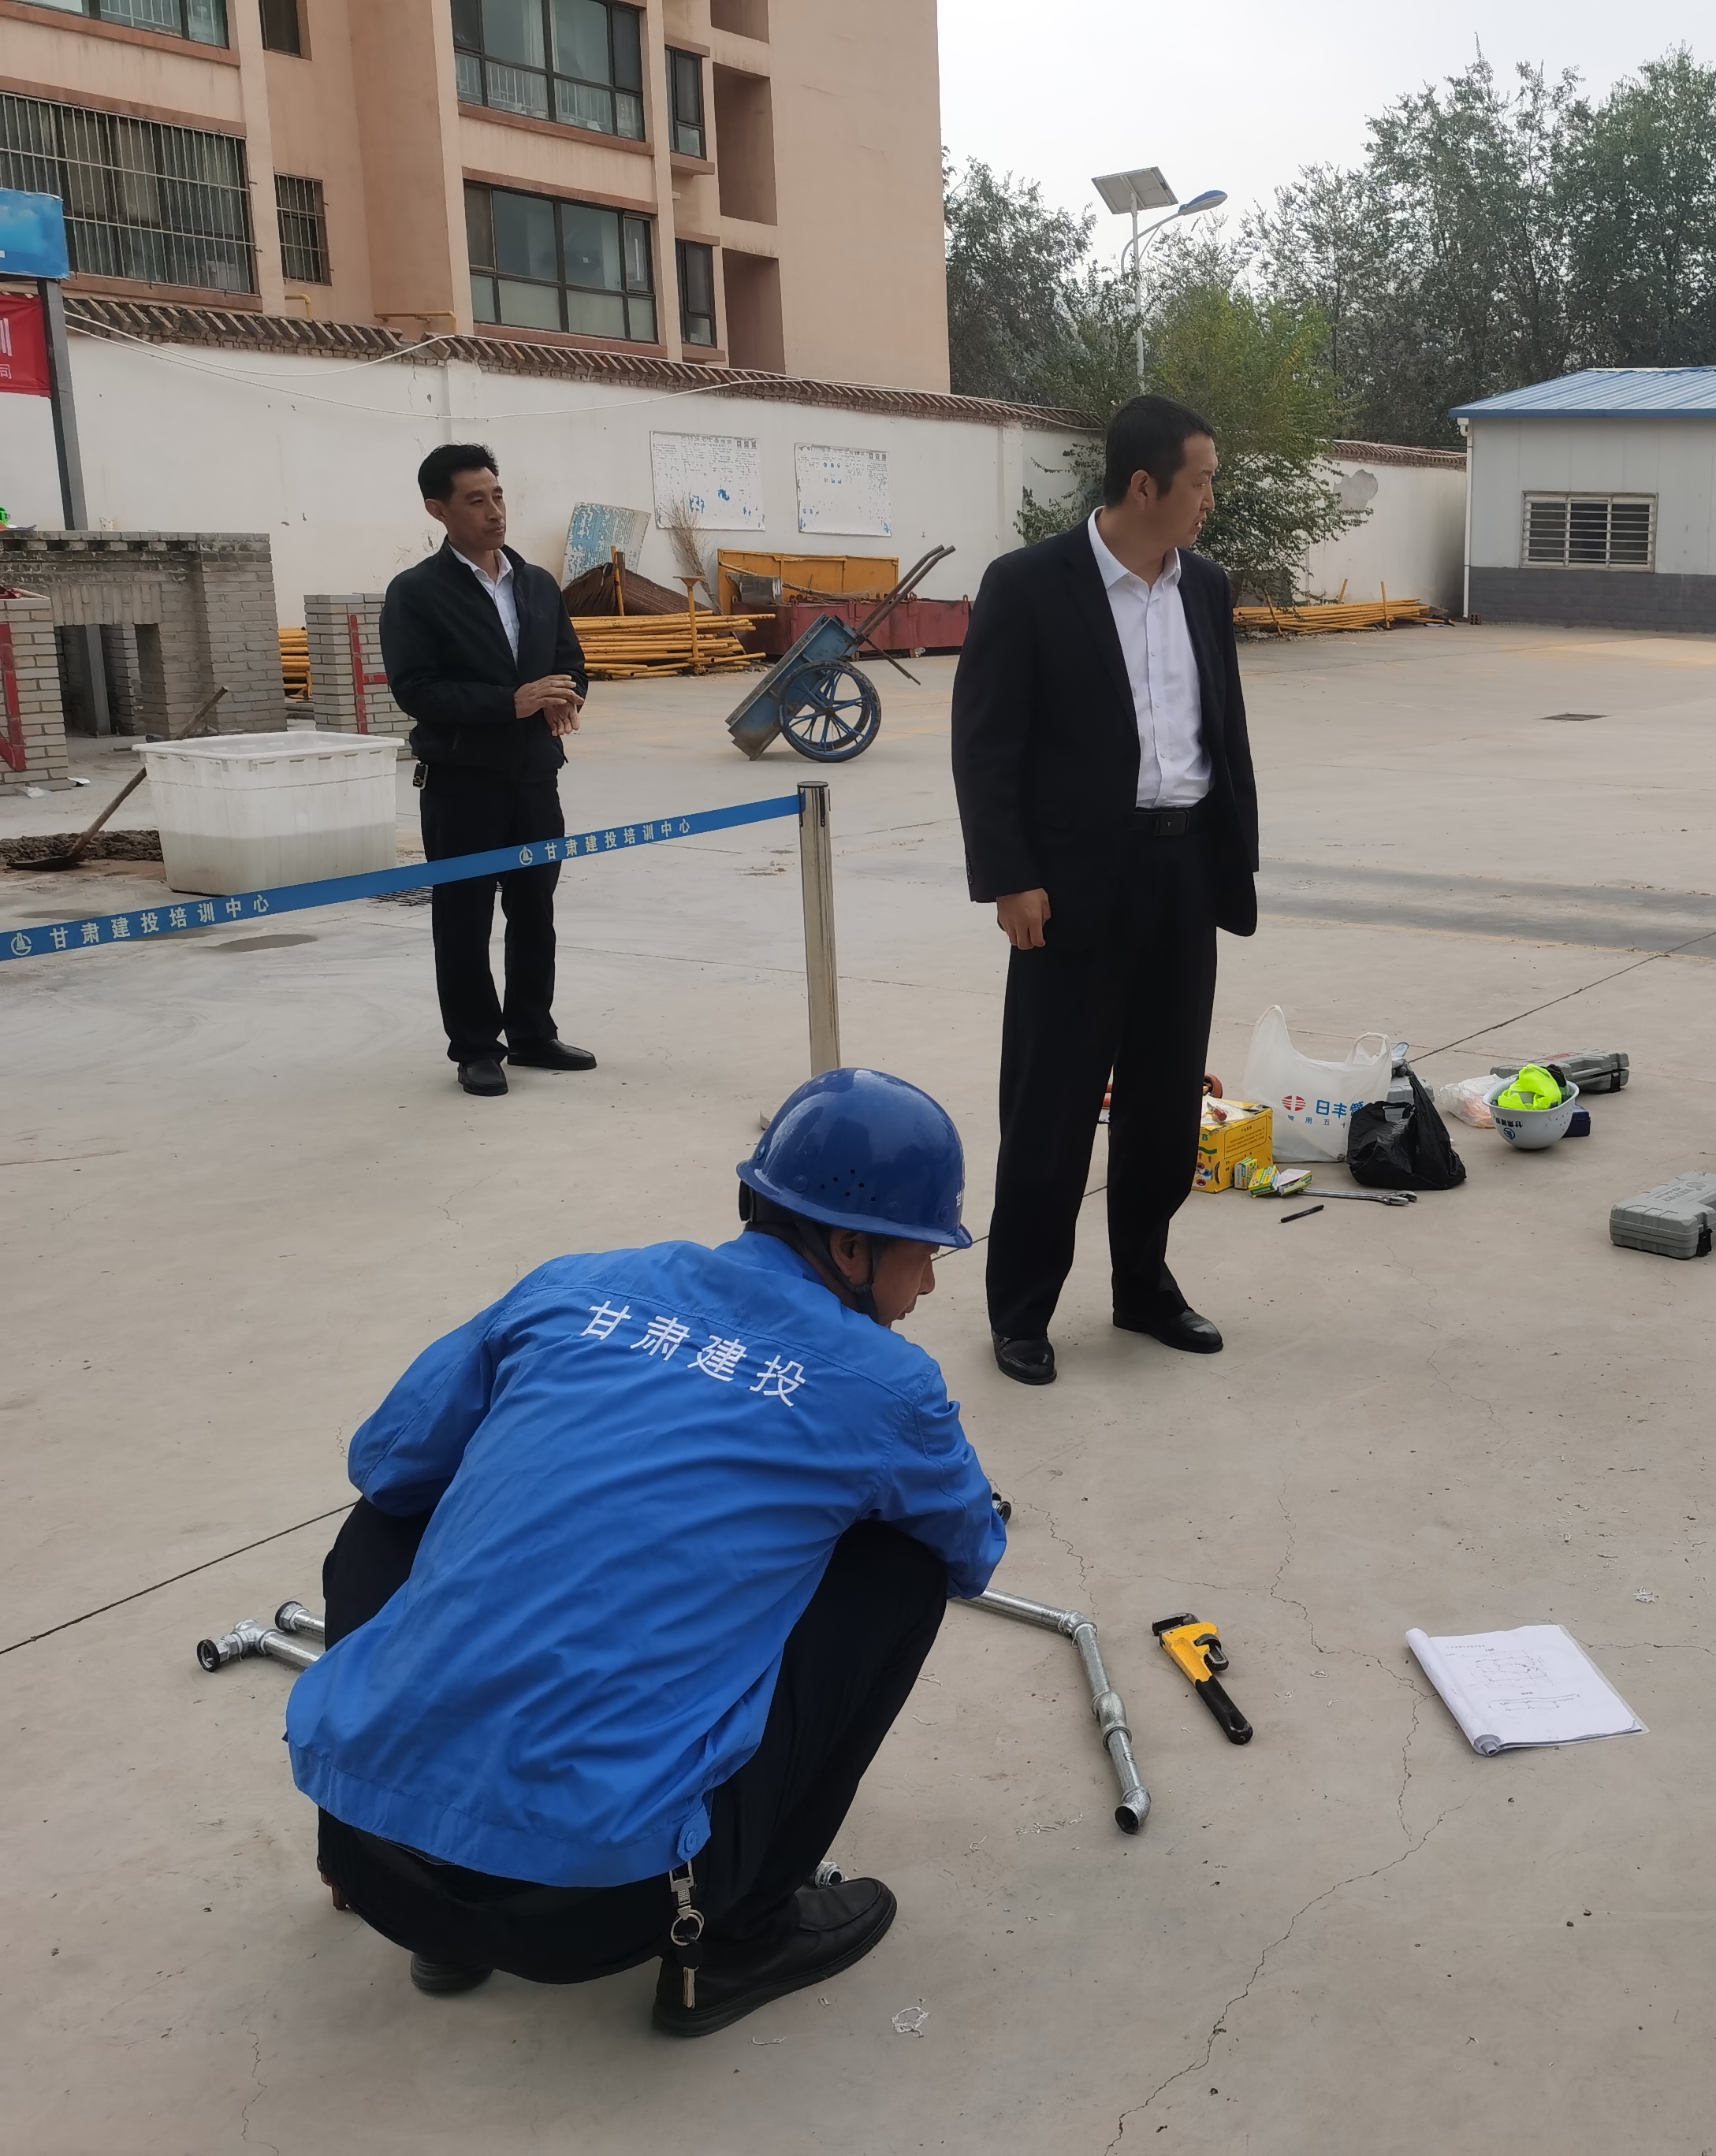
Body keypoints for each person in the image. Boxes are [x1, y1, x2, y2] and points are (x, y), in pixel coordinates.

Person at [285, 1069, 1007, 2036]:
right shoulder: (886, 1386)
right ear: (850, 1247)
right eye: (924, 1256)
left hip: (374, 1857)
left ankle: (411, 1865)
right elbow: (972, 1552)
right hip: (598, 1915)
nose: (928, 1285)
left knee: (392, 1511)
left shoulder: (573, 1286)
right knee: (902, 1567)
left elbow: (386, 1459)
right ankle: (738, 1941)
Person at [952, 394, 1260, 1388]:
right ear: (1144, 484)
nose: (1210, 498)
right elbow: (986, 745)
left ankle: (1144, 1287)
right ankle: (1022, 1309)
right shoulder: (1029, 585)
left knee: (1165, 1104)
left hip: (1182, 869)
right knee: (1052, 1102)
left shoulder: (1203, 586)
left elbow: (1223, 728)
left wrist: (1229, 860)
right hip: (1075, 883)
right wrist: (1010, 877)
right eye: (1201, 481)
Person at [379, 444, 597, 1098]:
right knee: (465, 917)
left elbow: (569, 661)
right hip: (462, 782)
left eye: (497, 495)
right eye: (476, 501)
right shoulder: (416, 593)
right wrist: (511, 703)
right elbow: (416, 690)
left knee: (534, 909)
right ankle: (476, 1047)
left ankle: (532, 1033)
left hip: (534, 777)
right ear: (438, 510)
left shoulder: (536, 584)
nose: (495, 511)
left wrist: (565, 695)